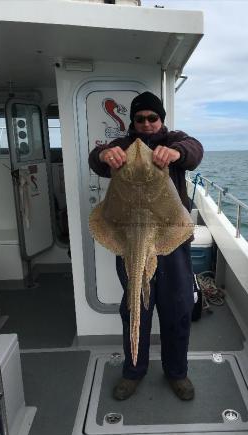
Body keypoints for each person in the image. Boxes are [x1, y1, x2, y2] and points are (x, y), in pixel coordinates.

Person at [88, 91, 203, 401]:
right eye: (140, 119)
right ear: (133, 122)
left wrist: (176, 153)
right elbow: (96, 160)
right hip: (131, 239)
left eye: (153, 118)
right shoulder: (123, 146)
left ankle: (176, 372)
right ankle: (133, 370)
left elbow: (195, 150)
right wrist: (103, 156)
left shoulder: (175, 140)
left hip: (170, 240)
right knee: (135, 306)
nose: (147, 123)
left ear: (161, 120)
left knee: (178, 307)